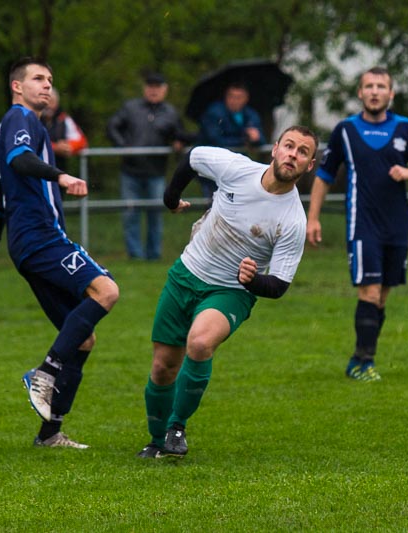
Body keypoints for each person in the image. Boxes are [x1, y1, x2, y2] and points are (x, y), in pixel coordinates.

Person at [137, 125, 319, 459]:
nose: (293, 154)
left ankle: (177, 427)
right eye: (289, 146)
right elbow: (192, 157)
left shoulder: (293, 219)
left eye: (303, 152)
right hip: (185, 274)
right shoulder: (237, 169)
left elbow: (279, 284)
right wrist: (170, 198)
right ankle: (156, 440)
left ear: (309, 165)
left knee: (200, 343)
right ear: (275, 149)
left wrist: (252, 281)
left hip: (230, 291)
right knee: (163, 366)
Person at [0, 57, 119, 448]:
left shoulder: (17, 127)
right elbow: (20, 161)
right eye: (38, 78)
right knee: (106, 291)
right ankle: (44, 373)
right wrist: (62, 175)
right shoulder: (21, 119)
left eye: (50, 79)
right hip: (41, 237)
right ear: (17, 86)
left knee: (82, 338)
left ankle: (49, 434)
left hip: (25, 244)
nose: (47, 85)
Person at [307, 66, 408, 382]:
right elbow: (324, 175)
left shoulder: (405, 128)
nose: (375, 91)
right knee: (369, 291)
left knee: (381, 296)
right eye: (369, 86)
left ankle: (359, 359)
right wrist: (312, 218)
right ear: (360, 93)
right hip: (362, 224)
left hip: (397, 224)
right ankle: (364, 363)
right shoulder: (346, 130)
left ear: (390, 93)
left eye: (381, 86)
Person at [107, 72, 190, 260]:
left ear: (165, 90)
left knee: (155, 214)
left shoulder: (170, 112)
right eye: (150, 86)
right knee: (130, 214)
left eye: (157, 87)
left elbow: (180, 134)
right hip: (130, 170)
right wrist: (122, 146)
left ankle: (153, 255)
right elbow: (112, 126)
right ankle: (135, 255)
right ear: (144, 88)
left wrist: (178, 143)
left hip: (156, 171)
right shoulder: (130, 108)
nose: (154, 90)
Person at [195, 82, 266, 200]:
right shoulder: (214, 112)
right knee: (214, 201)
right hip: (214, 166)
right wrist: (243, 140)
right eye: (231, 96)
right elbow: (215, 139)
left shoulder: (250, 114)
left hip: (238, 168)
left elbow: (261, 139)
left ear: (246, 98)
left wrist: (256, 138)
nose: (234, 101)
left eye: (239, 97)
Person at [40, 87, 88, 172]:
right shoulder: (33, 118)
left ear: (57, 103)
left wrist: (68, 146)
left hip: (58, 170)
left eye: (52, 102)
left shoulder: (64, 119)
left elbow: (82, 141)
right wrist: (54, 147)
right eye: (46, 101)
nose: (48, 105)